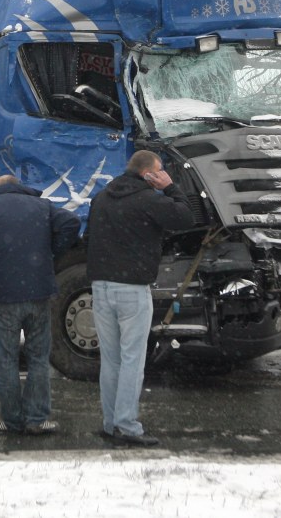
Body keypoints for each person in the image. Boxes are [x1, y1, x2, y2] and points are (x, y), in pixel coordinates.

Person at [0, 175, 80, 435]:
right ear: (17, 186)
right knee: (38, 358)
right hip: (38, 293)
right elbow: (72, 222)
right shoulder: (42, 206)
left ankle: (10, 420)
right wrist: (52, 252)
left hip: (3, 296)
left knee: (7, 360)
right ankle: (37, 419)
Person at [86, 150, 194, 446]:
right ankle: (127, 426)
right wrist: (170, 187)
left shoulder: (102, 198)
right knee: (133, 358)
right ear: (149, 174)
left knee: (111, 360)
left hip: (100, 286)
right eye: (159, 171)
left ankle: (110, 423)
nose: (161, 175)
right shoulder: (150, 198)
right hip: (132, 289)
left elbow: (89, 239)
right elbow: (185, 218)